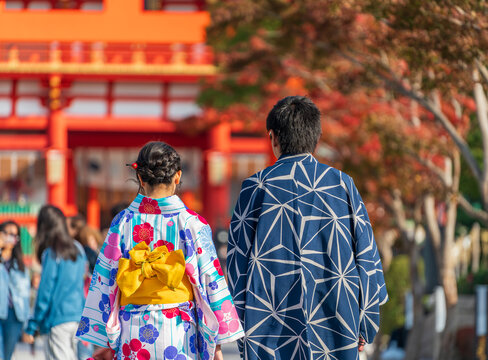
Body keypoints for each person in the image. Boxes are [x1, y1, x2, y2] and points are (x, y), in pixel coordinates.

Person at [227, 96, 388, 360]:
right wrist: (365, 322)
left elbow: (237, 266)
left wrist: (242, 331)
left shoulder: (255, 187)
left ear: (273, 137)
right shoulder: (341, 184)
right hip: (336, 321)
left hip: (270, 326)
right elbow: (366, 256)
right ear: (317, 137)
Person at [77, 141, 243, 360]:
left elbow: (105, 278)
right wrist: (217, 344)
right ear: (177, 177)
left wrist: (104, 337)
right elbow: (210, 279)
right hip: (179, 331)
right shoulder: (192, 223)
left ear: (140, 179)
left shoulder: (122, 222)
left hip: (132, 331)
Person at [22, 205, 87, 360]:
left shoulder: (52, 253)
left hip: (57, 319)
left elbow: (45, 292)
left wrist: (32, 326)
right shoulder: (78, 249)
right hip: (77, 317)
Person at [0, 220, 30, 360]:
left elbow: (24, 293)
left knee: (6, 355)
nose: (11, 238)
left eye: (14, 235)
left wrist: (26, 323)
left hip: (14, 315)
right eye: (7, 233)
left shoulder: (19, 263)